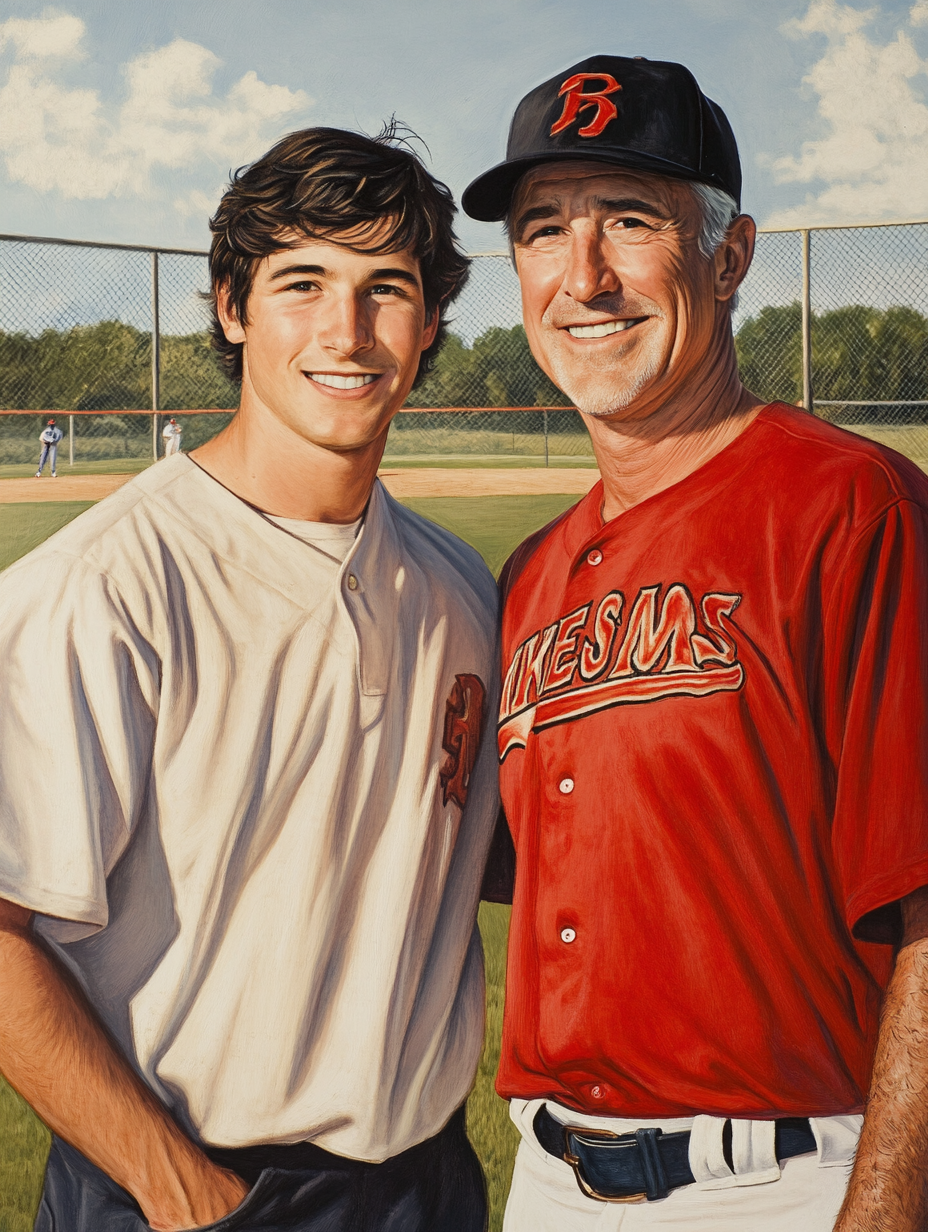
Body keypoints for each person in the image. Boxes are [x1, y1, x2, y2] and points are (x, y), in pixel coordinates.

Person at [0, 126, 499, 1232]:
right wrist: (185, 1193)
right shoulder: (100, 586)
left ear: (428, 327)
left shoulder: (462, 591)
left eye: (388, 288)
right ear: (232, 306)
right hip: (179, 1179)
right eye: (303, 282)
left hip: (426, 1178)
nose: (346, 330)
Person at [463, 55, 928, 1231]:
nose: (584, 276)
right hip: (547, 1179)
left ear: (727, 257)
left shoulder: (850, 507)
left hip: (783, 1182)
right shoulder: (530, 574)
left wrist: (882, 1209)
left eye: (629, 220)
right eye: (542, 230)